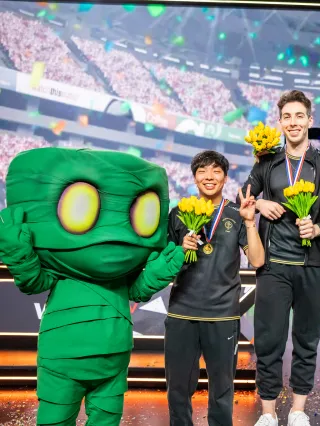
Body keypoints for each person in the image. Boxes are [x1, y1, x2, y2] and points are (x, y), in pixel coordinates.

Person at [0, 148, 184, 425]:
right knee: (56, 418)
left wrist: (157, 274)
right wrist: (19, 254)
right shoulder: (59, 269)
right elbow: (32, 282)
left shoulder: (123, 272)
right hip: (63, 355)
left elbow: (136, 291)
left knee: (107, 419)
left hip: (114, 354)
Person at [241, 90, 320, 426]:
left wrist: (319, 228)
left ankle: (298, 409)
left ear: (310, 121)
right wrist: (260, 204)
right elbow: (244, 198)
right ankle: (267, 413)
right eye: (287, 117)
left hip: (314, 267)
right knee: (268, 341)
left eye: (300, 116)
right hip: (275, 266)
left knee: (307, 340)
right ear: (280, 123)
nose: (294, 122)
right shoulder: (266, 162)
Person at [165, 150, 264, 426]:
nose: (209, 177)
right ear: (194, 178)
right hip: (182, 313)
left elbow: (257, 260)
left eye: (216, 171)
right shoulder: (178, 214)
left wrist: (249, 222)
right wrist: (179, 250)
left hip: (223, 316)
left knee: (222, 392)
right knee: (177, 390)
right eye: (202, 171)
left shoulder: (236, 212)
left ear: (225, 176)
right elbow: (162, 261)